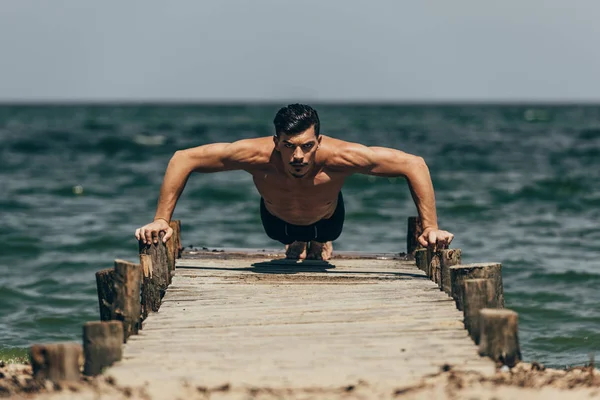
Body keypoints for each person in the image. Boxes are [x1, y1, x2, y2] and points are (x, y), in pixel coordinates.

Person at [135, 104, 453, 260]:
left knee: (321, 238)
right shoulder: (255, 155)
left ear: (319, 140)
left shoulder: (341, 157)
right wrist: (161, 219)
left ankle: (319, 243)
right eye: (288, 146)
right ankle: (298, 242)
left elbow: (414, 164)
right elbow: (183, 158)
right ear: (276, 141)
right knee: (286, 235)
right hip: (276, 223)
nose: (297, 155)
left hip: (329, 221)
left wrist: (430, 227)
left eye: (307, 145)